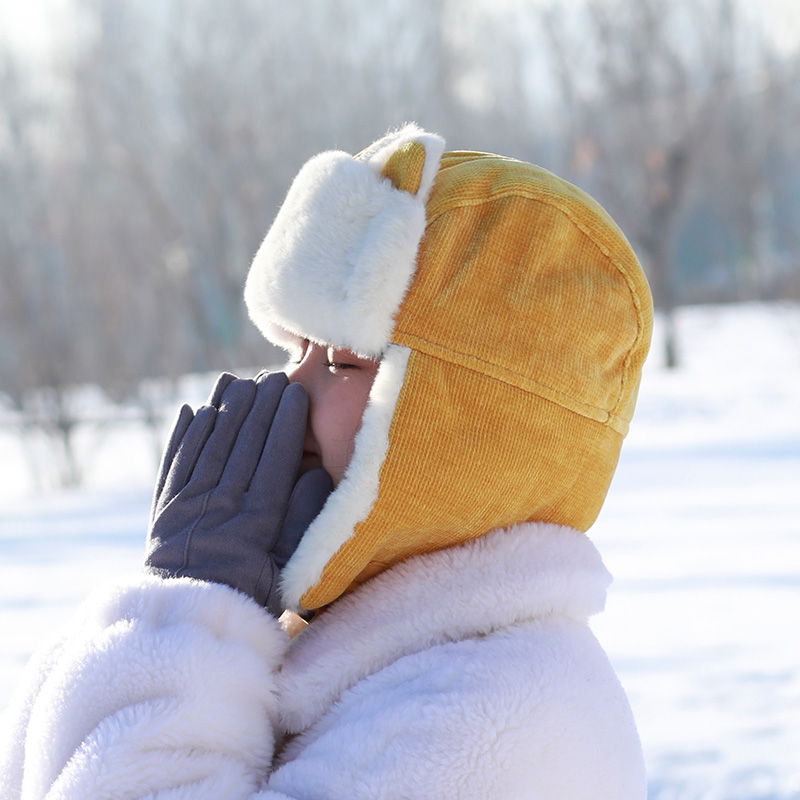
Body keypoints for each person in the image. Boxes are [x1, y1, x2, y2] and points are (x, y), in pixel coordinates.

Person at [0, 123, 653, 799]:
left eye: (343, 360)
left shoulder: (504, 713)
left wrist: (184, 621)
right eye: (297, 348)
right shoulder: (342, 647)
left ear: (472, 429)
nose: (289, 386)